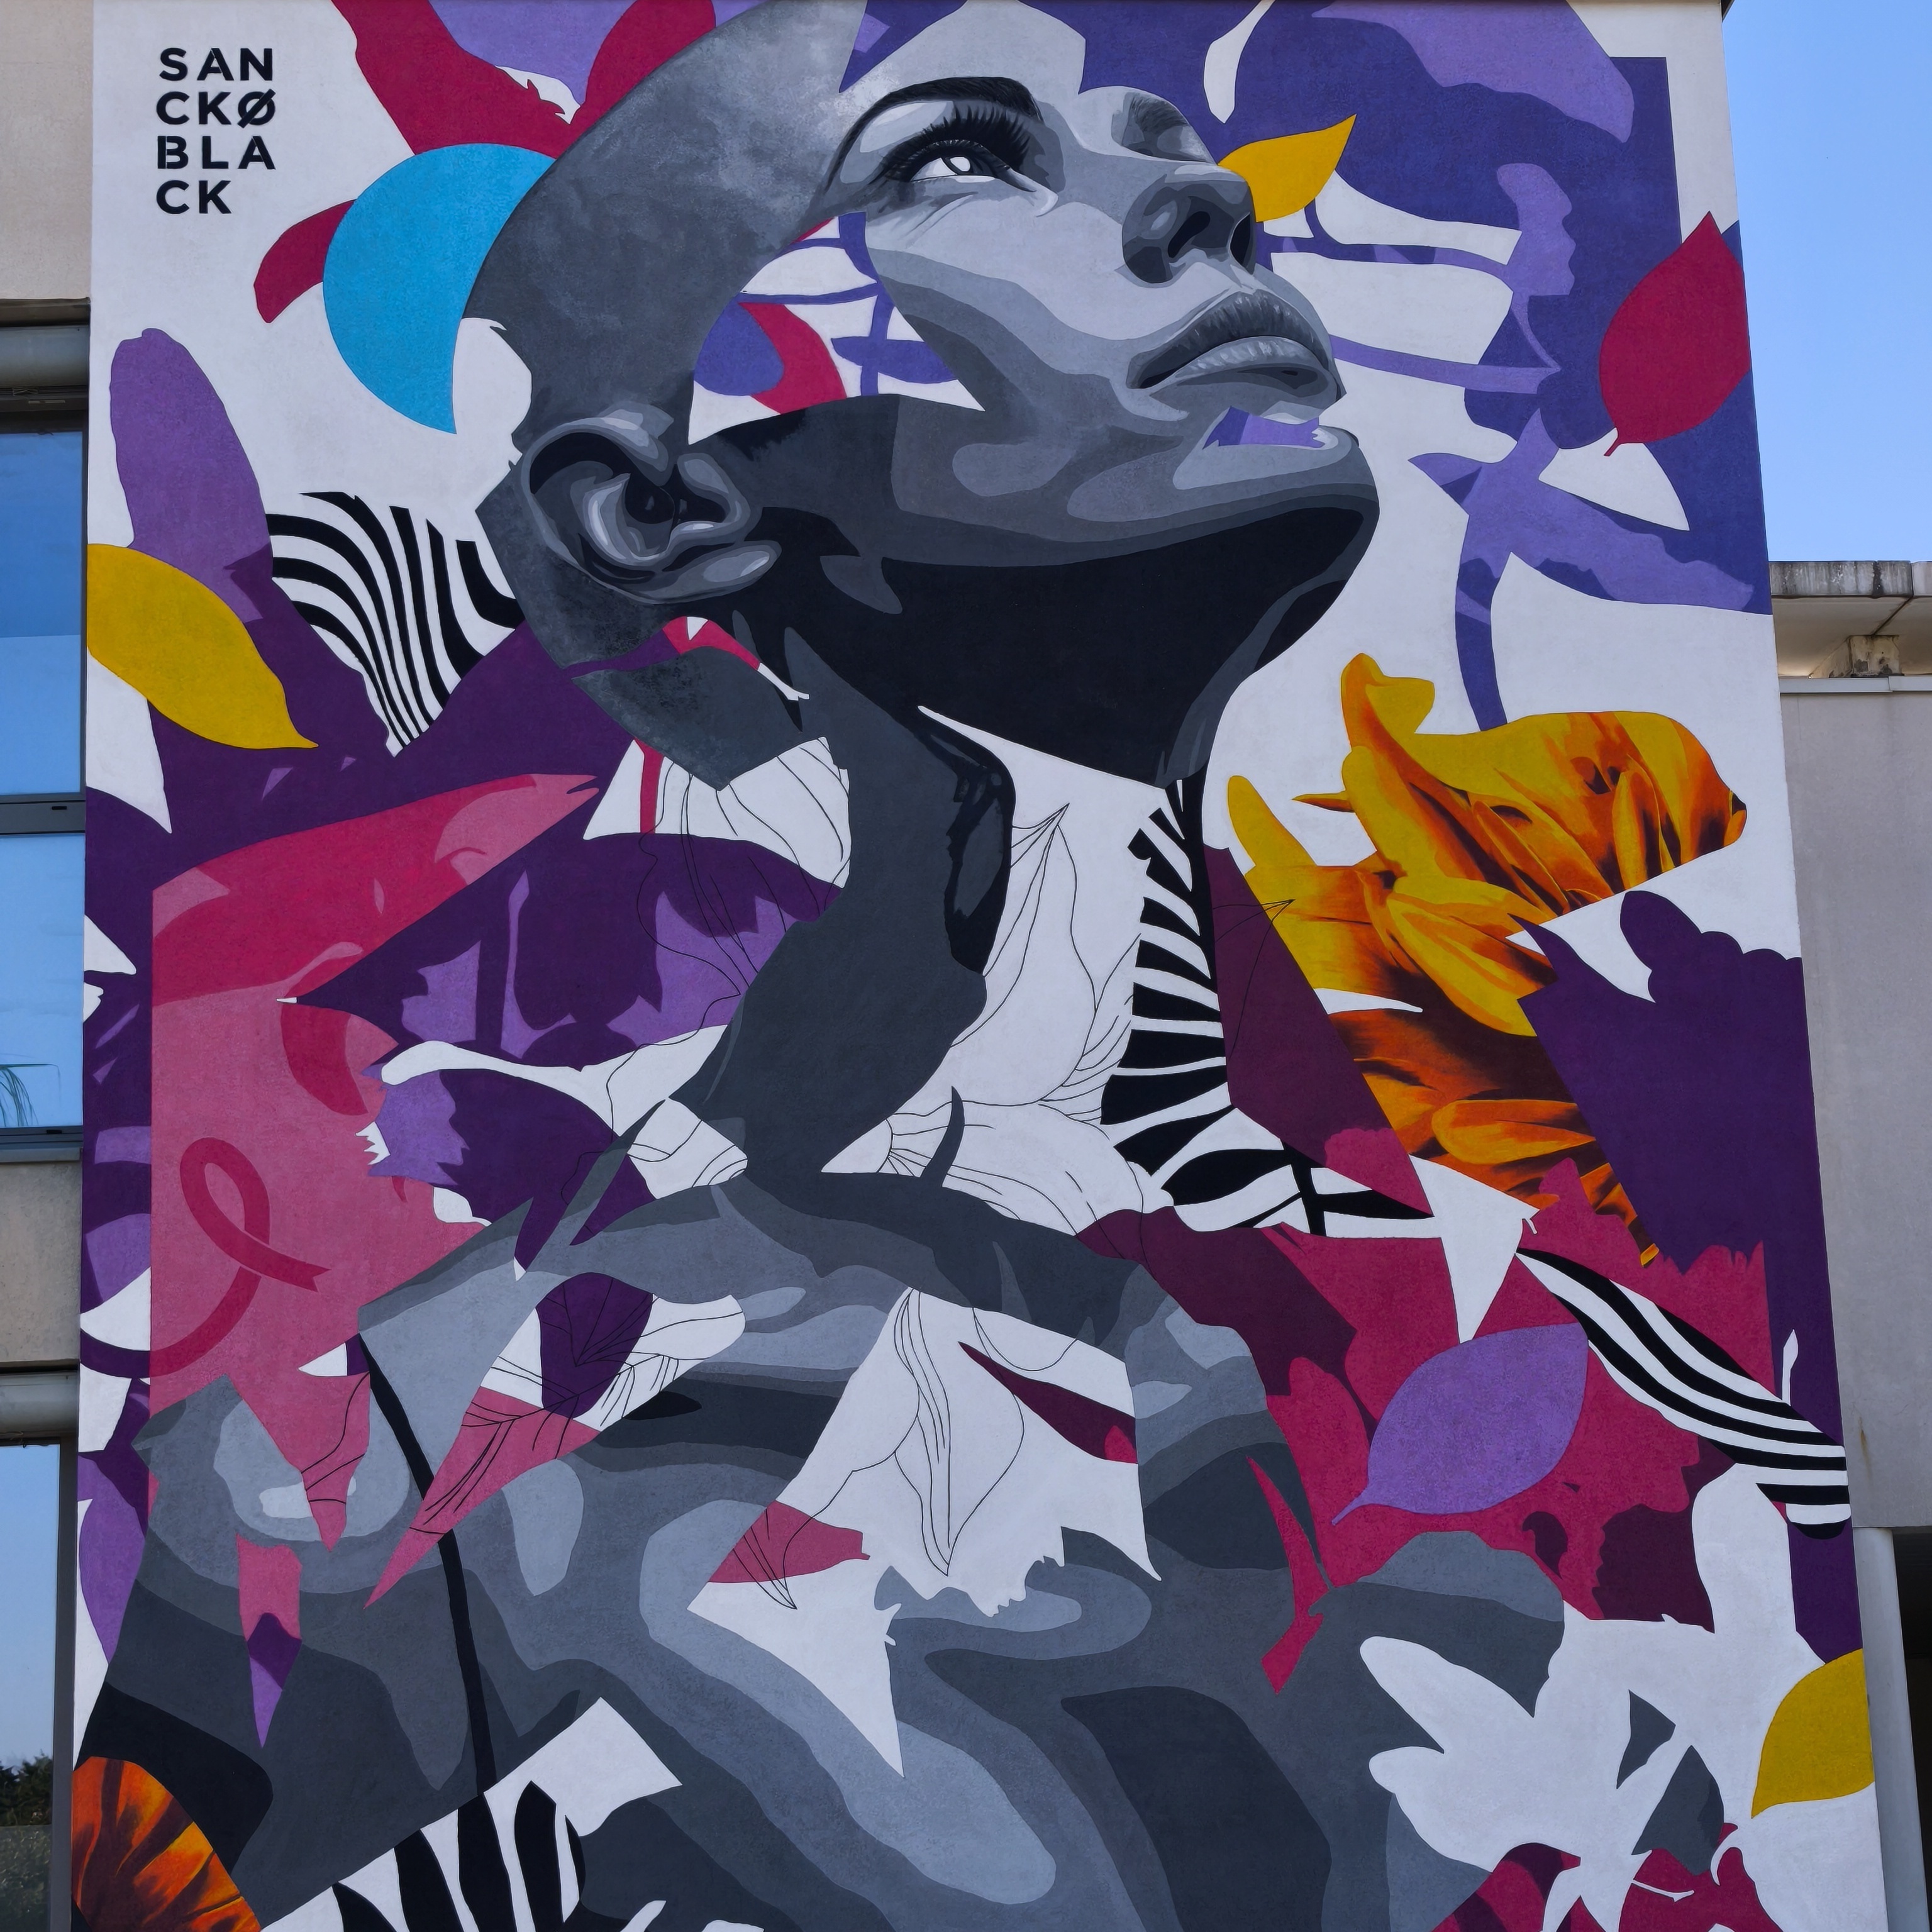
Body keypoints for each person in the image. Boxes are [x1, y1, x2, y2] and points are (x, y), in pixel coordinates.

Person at [116, 9, 1519, 1929]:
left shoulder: (1488, 1300)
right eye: (961, 155)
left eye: (1157, 133)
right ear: (650, 509)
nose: (1198, 200)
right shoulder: (370, 1458)